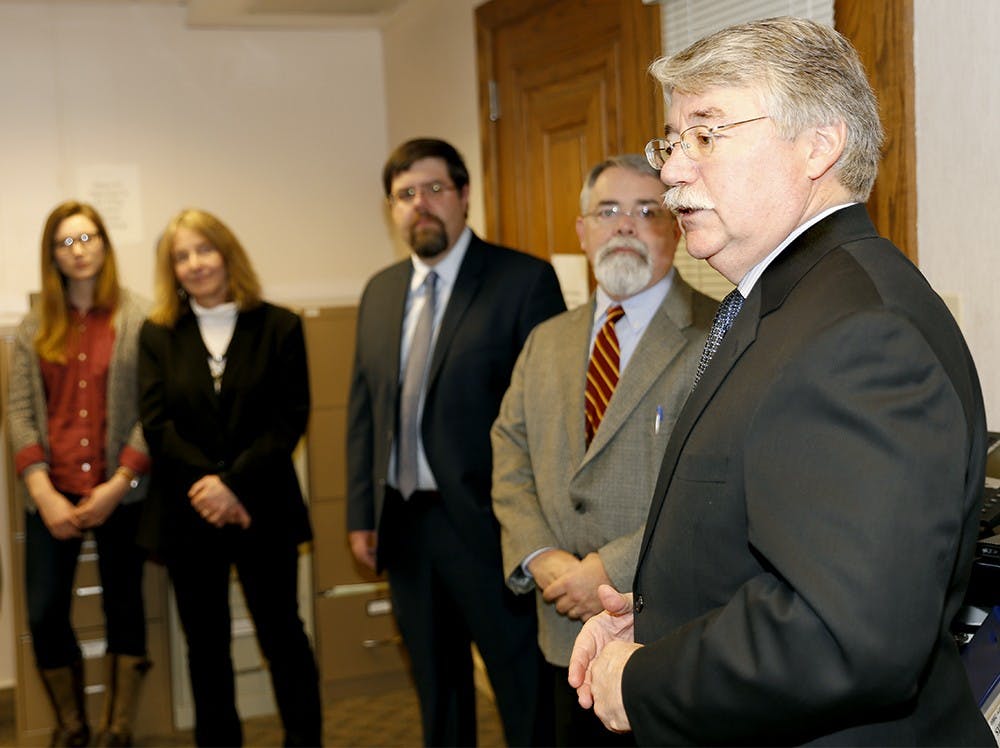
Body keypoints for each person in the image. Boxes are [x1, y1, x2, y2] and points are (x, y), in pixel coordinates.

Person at [568, 16, 993, 746]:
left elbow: (843, 637)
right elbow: (773, 548)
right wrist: (666, 619)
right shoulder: (789, 302)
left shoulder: (861, 333)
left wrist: (642, 678)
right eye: (672, 141)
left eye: (706, 133)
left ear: (819, 146)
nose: (671, 170)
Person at [346, 137, 566, 746]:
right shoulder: (380, 292)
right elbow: (364, 412)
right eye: (405, 194)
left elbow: (546, 420)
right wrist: (362, 513)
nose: (422, 205)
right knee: (437, 693)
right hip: (407, 526)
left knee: (522, 692)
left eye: (435, 189)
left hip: (490, 527)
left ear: (465, 196)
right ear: (392, 209)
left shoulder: (523, 281)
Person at [491, 154, 715, 746]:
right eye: (607, 211)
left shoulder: (720, 336)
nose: (624, 226)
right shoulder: (546, 341)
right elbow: (509, 452)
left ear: (675, 227)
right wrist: (541, 556)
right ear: (582, 230)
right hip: (557, 626)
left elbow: (712, 490)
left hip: (659, 634)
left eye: (647, 211)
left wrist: (609, 570)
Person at [137, 208, 321, 747]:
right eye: (181, 255)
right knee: (206, 645)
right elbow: (157, 424)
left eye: (204, 250)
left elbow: (290, 419)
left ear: (227, 253)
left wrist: (234, 486)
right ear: (172, 269)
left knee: (282, 635)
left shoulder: (280, 324)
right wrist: (211, 487)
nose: (195, 264)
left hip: (263, 506)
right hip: (189, 513)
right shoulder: (157, 333)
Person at [8, 201, 151, 747]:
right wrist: (41, 490)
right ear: (52, 255)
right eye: (65, 242)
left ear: (105, 243)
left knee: (125, 605)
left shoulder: (140, 317)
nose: (79, 249)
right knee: (44, 612)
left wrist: (121, 483)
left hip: (122, 492)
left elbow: (151, 410)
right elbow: (19, 411)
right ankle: (72, 725)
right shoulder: (34, 324)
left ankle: (118, 728)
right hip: (54, 491)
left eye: (87, 237)